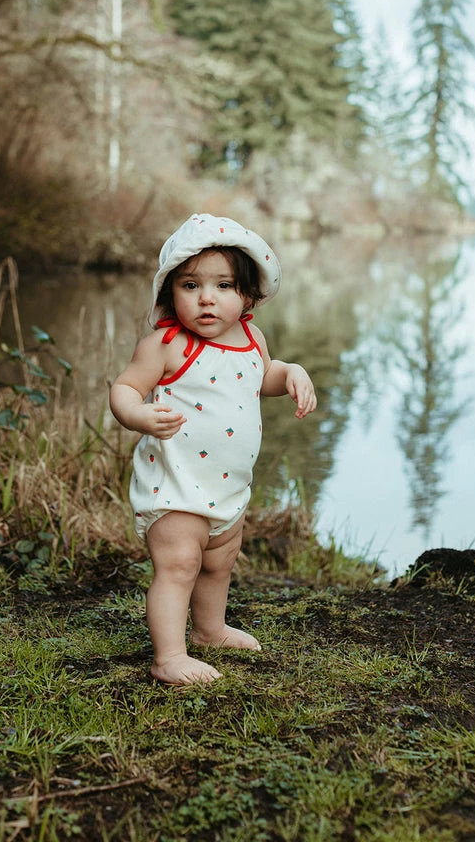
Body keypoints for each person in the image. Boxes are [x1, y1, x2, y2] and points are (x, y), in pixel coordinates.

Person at [110, 213, 317, 685]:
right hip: (176, 485)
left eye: (224, 285)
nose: (207, 298)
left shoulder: (250, 338)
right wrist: (138, 414)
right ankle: (169, 657)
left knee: (219, 562)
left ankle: (209, 629)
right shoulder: (166, 344)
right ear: (170, 293)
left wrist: (292, 375)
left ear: (247, 295)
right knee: (179, 564)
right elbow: (124, 388)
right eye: (191, 285)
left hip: (228, 488)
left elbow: (262, 377)